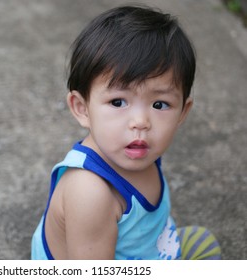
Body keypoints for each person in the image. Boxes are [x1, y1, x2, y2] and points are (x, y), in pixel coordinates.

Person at [31, 5, 221, 260]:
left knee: (203, 242)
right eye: (118, 102)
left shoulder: (138, 150)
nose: (141, 122)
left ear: (182, 113)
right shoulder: (90, 192)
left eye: (159, 105)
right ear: (82, 108)